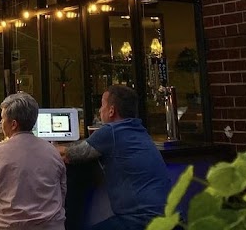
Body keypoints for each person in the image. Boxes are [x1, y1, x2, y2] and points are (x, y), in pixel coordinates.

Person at [59, 85, 169, 230]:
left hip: (141, 220)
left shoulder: (111, 131)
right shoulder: (139, 130)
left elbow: (69, 155)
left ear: (111, 110)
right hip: (169, 218)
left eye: (102, 105)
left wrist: (41, 146)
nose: (99, 110)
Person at [0, 92, 67, 230]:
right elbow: (62, 193)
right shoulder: (52, 151)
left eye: (2, 119)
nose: (0, 123)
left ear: (13, 124)